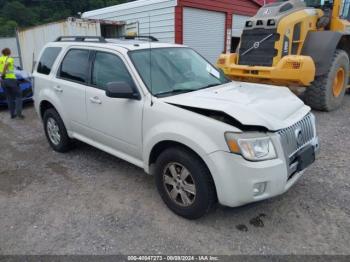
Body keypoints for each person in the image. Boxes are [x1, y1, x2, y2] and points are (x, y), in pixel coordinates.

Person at [0, 48, 24, 119]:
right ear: (9, 52)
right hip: (11, 79)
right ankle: (19, 114)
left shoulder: (0, 59)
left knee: (9, 97)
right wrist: (4, 74)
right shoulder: (10, 59)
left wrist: (1, 76)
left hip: (3, 81)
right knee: (18, 96)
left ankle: (12, 114)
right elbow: (5, 66)